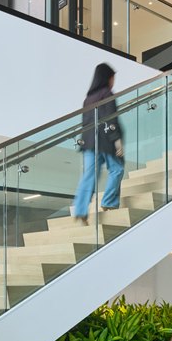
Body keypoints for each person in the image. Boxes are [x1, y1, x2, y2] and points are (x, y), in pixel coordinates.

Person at [71, 63, 123, 224]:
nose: (114, 80)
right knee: (117, 169)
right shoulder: (107, 94)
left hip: (88, 142)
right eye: (113, 77)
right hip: (105, 140)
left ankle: (80, 210)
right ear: (107, 77)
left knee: (89, 175)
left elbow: (85, 122)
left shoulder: (88, 99)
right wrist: (117, 140)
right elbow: (110, 119)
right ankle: (109, 202)